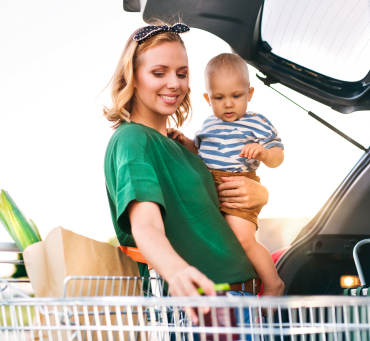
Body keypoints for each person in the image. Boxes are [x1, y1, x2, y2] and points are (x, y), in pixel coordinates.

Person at [102, 23, 271, 312]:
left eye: (182, 73)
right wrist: (177, 271)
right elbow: (146, 224)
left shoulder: (180, 145)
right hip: (205, 303)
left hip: (240, 297)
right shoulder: (133, 140)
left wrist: (258, 195)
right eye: (159, 73)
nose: (175, 83)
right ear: (133, 77)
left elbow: (206, 214)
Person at [169, 53, 285, 297]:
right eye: (219, 98)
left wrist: (264, 153)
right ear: (207, 98)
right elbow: (198, 149)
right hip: (209, 186)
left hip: (238, 185)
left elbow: (278, 156)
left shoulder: (257, 123)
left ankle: (273, 283)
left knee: (243, 239)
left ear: (250, 94)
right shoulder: (208, 124)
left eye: (236, 96)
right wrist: (184, 141)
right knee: (217, 239)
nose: (228, 104)